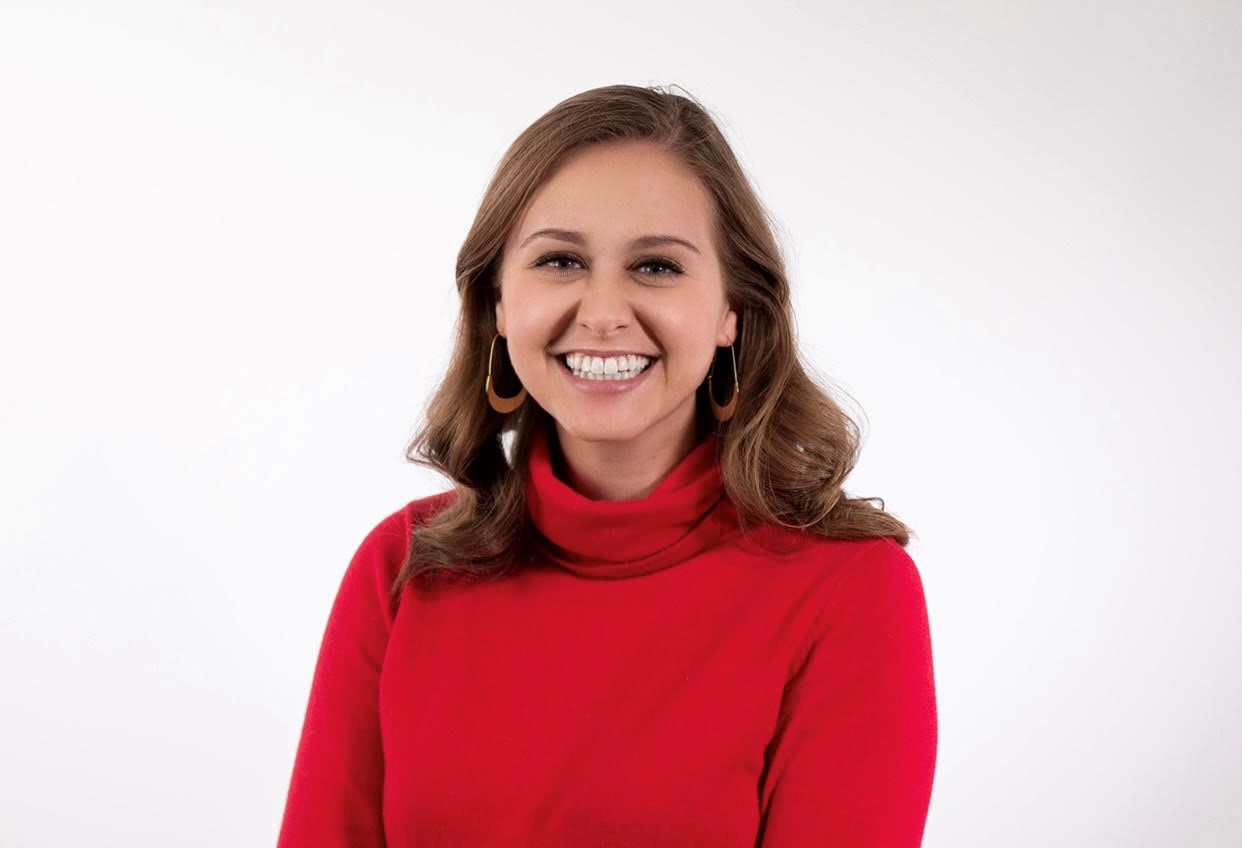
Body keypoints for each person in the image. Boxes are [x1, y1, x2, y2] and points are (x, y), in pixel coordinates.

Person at [276, 83, 937, 847]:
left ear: (733, 310)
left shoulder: (849, 591)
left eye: (656, 267)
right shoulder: (402, 569)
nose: (602, 311)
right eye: (560, 261)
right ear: (496, 300)